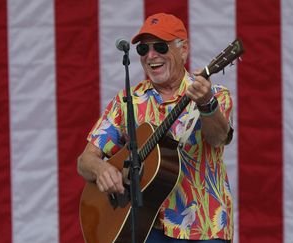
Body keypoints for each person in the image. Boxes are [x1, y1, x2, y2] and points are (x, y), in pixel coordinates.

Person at [77, 13, 234, 243]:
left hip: (203, 227)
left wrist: (206, 104)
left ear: (183, 49)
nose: (151, 56)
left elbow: (219, 138)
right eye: (143, 49)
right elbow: (84, 161)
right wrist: (101, 170)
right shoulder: (127, 101)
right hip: (145, 229)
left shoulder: (214, 94)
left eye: (160, 47)